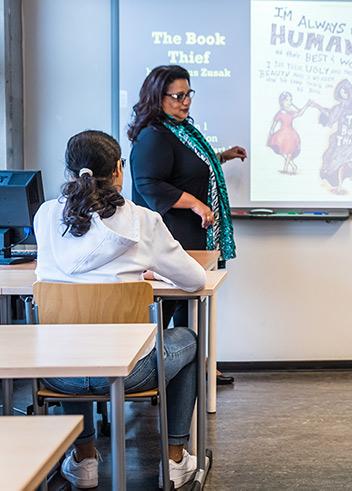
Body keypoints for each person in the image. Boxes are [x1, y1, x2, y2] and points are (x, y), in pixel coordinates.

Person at [34, 130, 207, 489]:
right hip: (131, 373)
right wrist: (153, 270)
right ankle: (175, 459)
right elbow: (193, 281)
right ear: (118, 170)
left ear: (69, 172)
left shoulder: (46, 216)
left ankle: (83, 460)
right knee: (188, 339)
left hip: (57, 374)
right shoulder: (142, 221)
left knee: (72, 343)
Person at [128, 65, 245, 384]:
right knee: (170, 308)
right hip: (171, 234)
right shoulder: (154, 135)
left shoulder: (182, 130)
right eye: (178, 96)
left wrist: (223, 156)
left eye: (188, 94)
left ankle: (192, 370)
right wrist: (195, 203)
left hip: (192, 236)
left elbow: (186, 167)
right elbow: (149, 183)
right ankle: (157, 375)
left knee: (186, 307)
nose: (185, 102)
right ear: (158, 97)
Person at [267, 91, 310, 175]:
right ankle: (293, 166)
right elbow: (273, 125)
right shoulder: (279, 113)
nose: (289, 102)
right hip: (282, 134)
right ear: (281, 102)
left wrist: (306, 106)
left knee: (290, 151)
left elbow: (300, 113)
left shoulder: (290, 113)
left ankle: (286, 168)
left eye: (290, 100)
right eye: (287, 100)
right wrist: (271, 133)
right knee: (282, 151)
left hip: (291, 134)